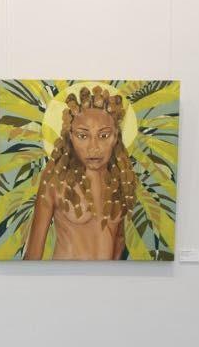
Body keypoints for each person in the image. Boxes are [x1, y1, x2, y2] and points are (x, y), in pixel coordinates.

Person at [24, 86, 137, 260]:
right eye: (83, 136)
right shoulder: (55, 181)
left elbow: (119, 243)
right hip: (63, 274)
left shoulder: (120, 181)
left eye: (104, 136)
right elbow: (33, 254)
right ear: (70, 136)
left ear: (115, 137)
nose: (94, 148)